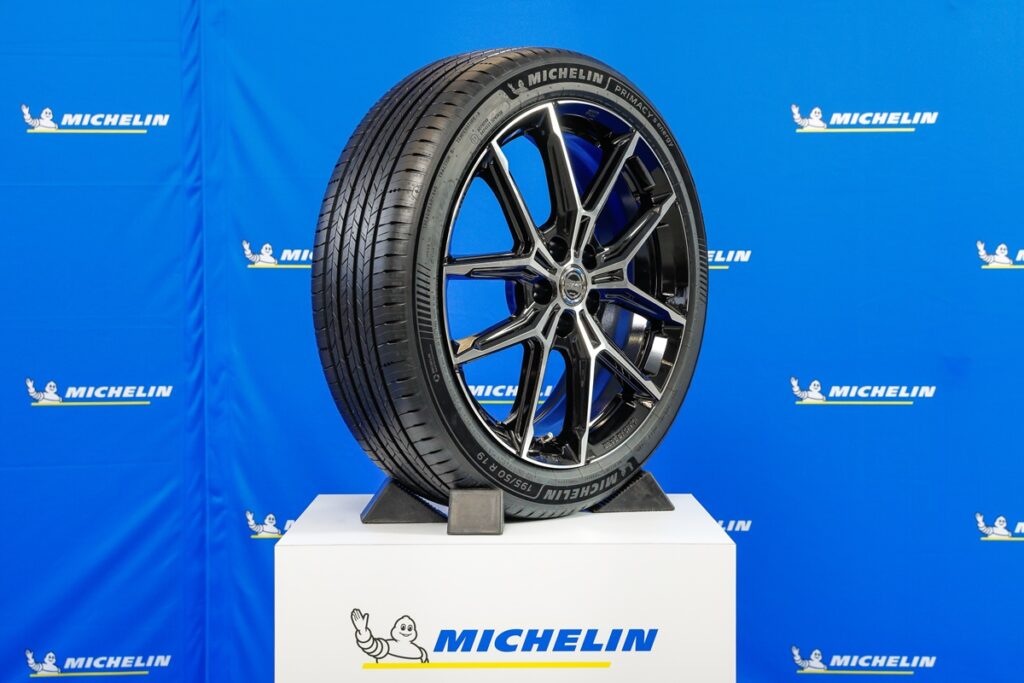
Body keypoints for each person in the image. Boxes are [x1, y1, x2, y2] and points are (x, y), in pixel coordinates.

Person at [351, 609, 428, 663]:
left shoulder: (421, 652)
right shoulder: (386, 646)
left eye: (410, 628)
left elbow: (426, 669)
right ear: (395, 629)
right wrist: (363, 631)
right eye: (403, 627)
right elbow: (371, 646)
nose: (406, 631)